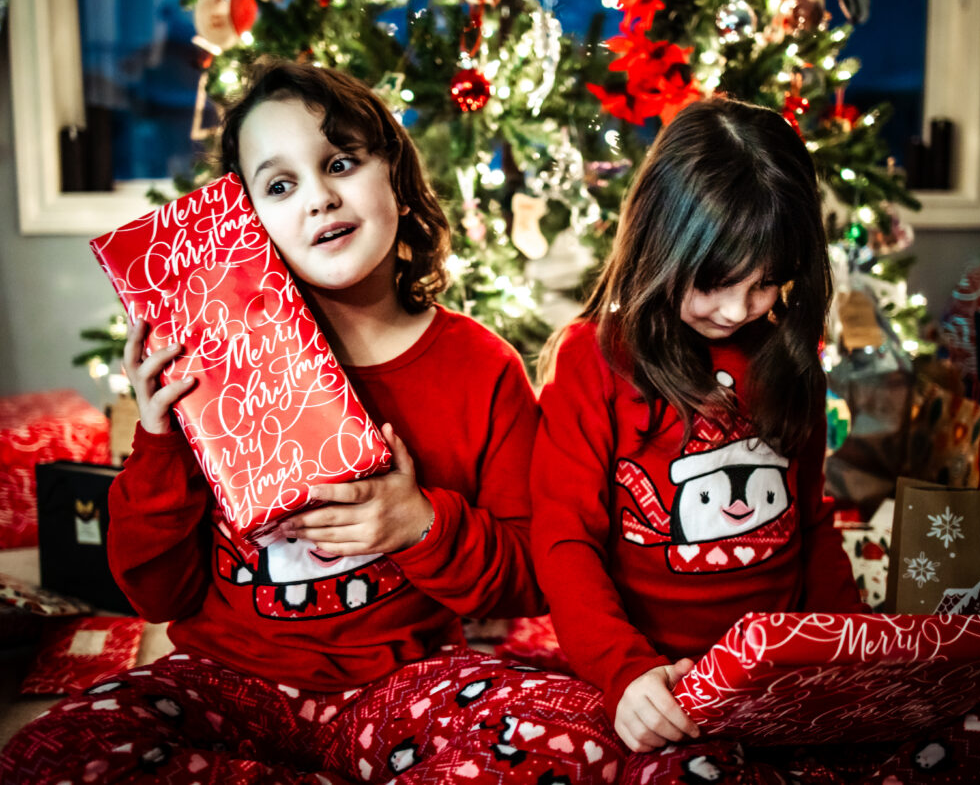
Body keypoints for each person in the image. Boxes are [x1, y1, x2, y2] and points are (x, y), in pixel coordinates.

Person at [0, 60, 625, 784]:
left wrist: (419, 524)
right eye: (279, 186)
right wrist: (160, 439)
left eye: (341, 163)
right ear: (244, 223)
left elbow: (531, 579)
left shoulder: (481, 368)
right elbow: (156, 595)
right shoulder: (207, 367)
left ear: (396, 178)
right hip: (224, 678)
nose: (320, 198)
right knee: (48, 755)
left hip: (406, 683)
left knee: (576, 736)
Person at [530, 97, 980, 784]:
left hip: (782, 676)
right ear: (657, 242)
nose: (737, 310)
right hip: (659, 678)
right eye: (713, 282)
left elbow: (811, 522)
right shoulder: (593, 360)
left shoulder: (785, 357)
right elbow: (563, 540)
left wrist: (858, 648)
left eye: (765, 284)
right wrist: (624, 671)